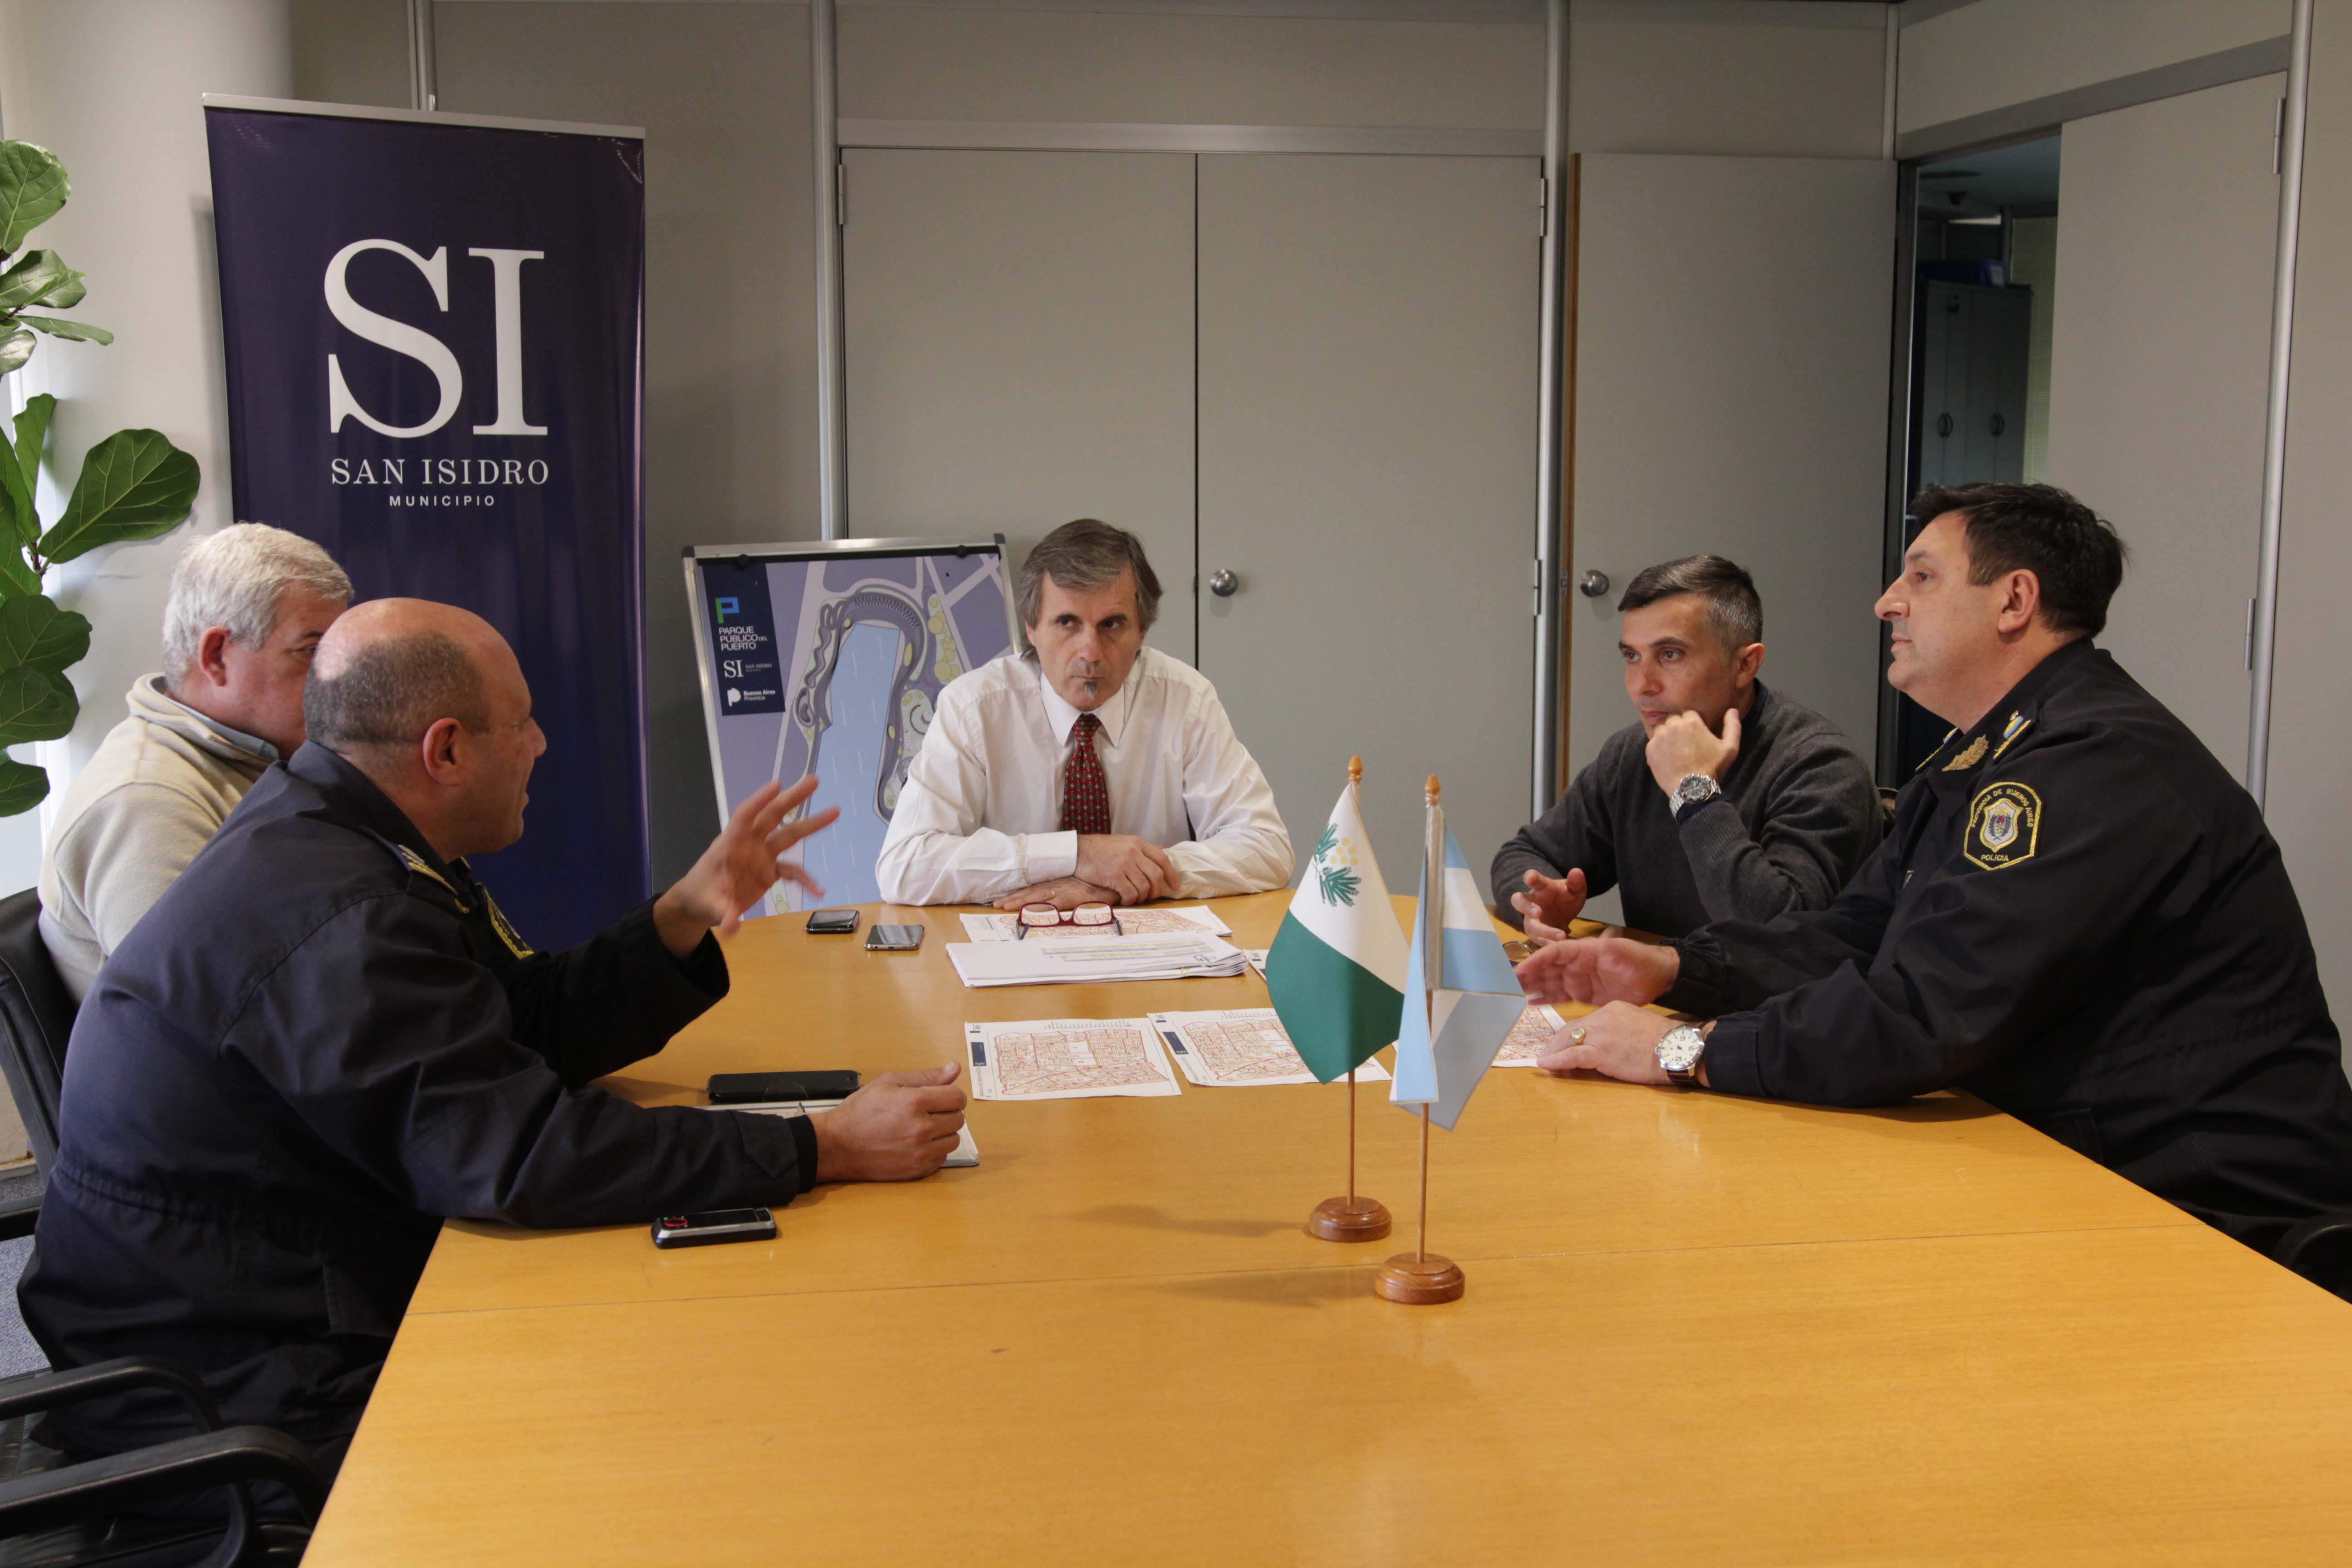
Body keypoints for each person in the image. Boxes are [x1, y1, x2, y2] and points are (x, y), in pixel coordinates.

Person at [17, 599, 968, 1478]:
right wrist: (821, 1146)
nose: (541, 743)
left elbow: (515, 1029)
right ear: (446, 750)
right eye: (522, 724)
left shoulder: (345, 829)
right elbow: (520, 1155)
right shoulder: (339, 911)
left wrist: (679, 916)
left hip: (287, 1284)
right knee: (671, 1428)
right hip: (237, 1382)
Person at [1520, 483, 2352, 1258]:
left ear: (2014, 601)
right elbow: (1853, 936)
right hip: (2065, 1158)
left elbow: (1925, 1011)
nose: (1887, 601)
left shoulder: (2090, 763)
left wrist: (1682, 1048)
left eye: (1920, 576)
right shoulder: (1984, 756)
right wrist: (1678, 968)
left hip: (2202, 1210)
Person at [877, 518, 1292, 909]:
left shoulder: (1185, 699)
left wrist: (1119, 879)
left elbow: (1267, 847)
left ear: (1142, 632)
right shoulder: (974, 708)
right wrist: (1074, 855)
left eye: (1112, 624)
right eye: (1067, 622)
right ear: (1031, 628)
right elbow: (905, 866)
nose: (1090, 652)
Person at [1490, 555, 1880, 942]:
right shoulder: (1632, 753)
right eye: (1632, 656)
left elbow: (1781, 936)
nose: (1642, 685)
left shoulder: (1822, 765)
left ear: (1745, 665)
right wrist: (1537, 902)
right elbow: (1524, 853)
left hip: (1763, 986)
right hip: (1661, 980)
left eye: (1670, 655)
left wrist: (1692, 791)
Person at [39, 523, 351, 1000]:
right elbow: (210, 1014)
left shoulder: (260, 759)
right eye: (311, 652)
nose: (337, 680)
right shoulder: (147, 802)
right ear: (216, 656)